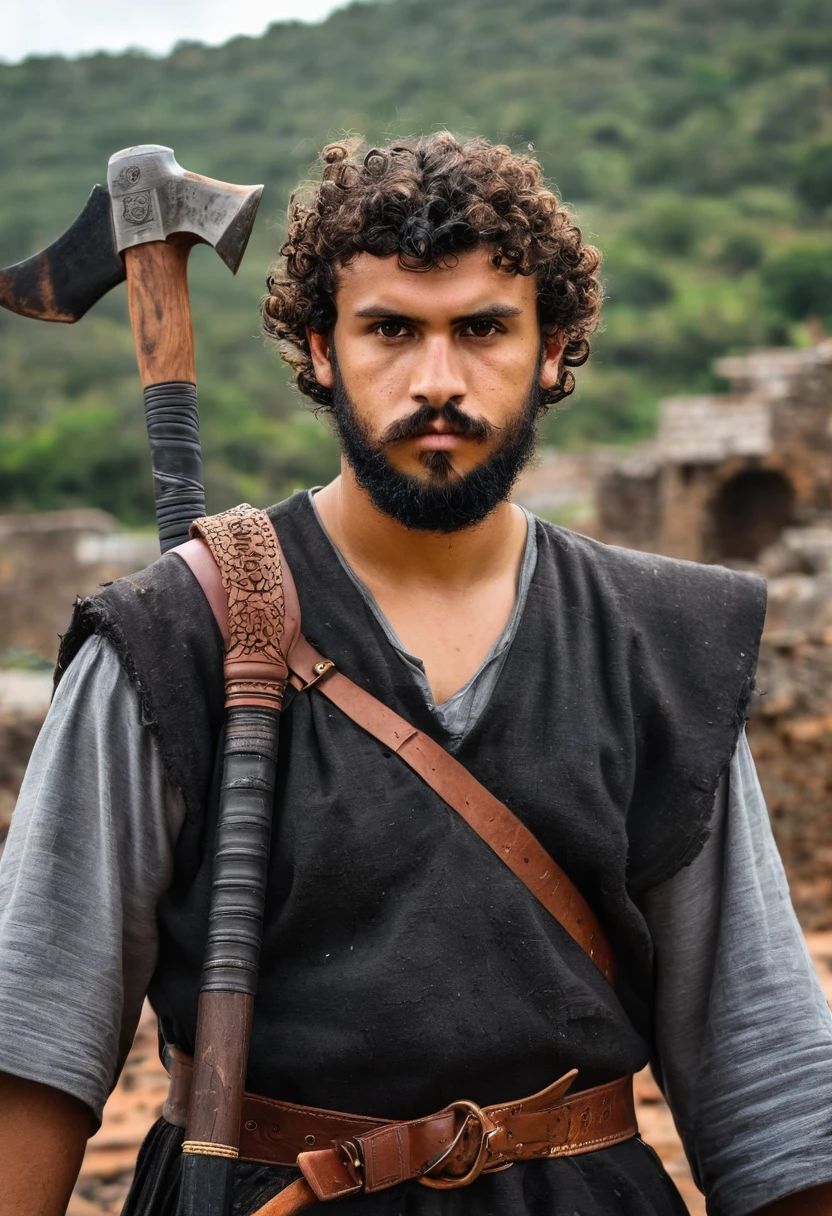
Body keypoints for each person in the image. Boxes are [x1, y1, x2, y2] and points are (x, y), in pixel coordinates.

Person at [0, 133, 831, 1216]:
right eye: (389, 329)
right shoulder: (169, 637)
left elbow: (763, 1073)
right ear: (320, 348)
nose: (437, 379)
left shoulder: (660, 642)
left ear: (551, 348)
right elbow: (34, 1037)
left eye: (482, 328)